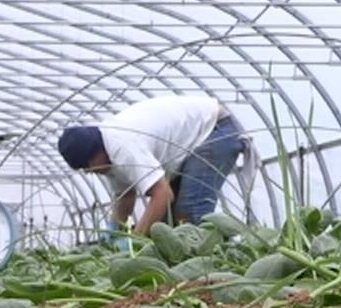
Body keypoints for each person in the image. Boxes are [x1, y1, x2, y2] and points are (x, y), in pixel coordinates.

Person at [57, 94, 249, 236]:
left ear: (94, 153)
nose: (90, 172)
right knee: (165, 228)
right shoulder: (108, 157)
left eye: (88, 166)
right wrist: (115, 234)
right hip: (191, 145)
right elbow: (125, 197)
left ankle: (210, 270)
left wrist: (138, 241)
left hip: (213, 131)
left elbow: (163, 194)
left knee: (189, 214)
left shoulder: (123, 146)